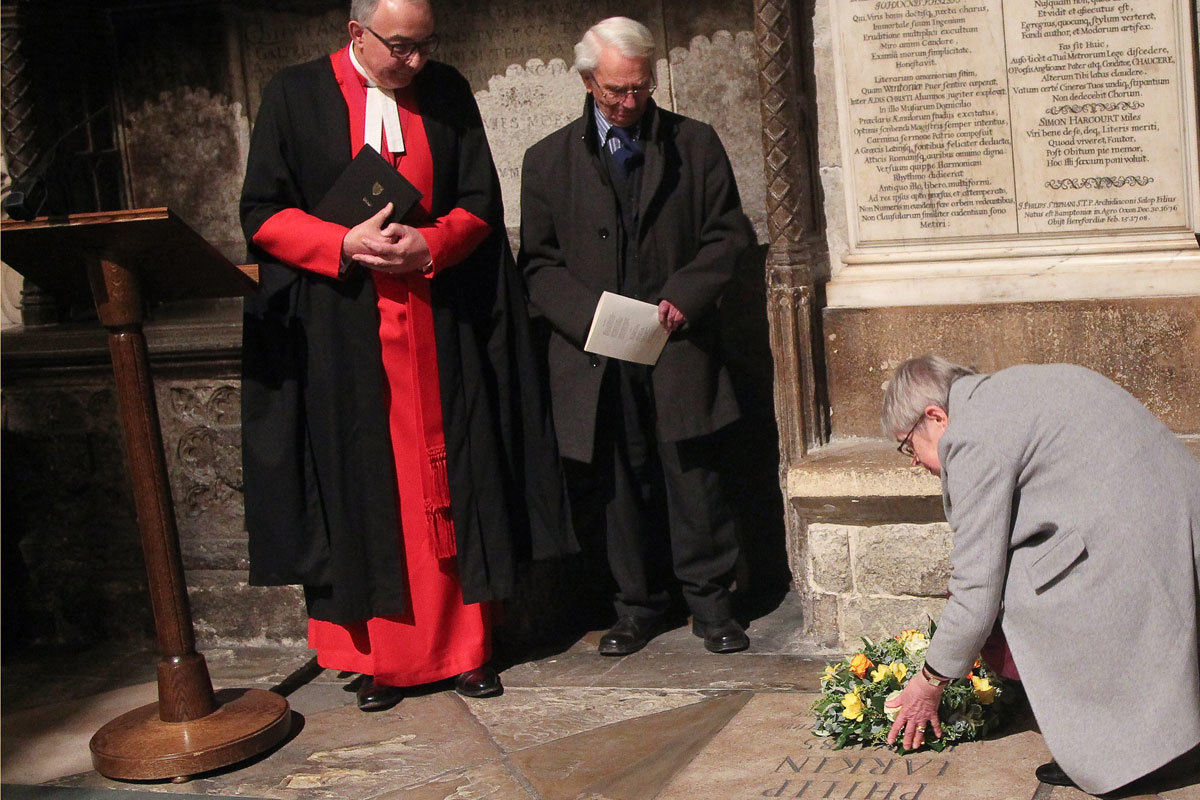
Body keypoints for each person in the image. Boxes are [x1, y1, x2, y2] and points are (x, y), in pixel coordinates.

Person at [239, 0, 574, 712]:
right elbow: (262, 213)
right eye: (400, 47)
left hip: (438, 324)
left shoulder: (445, 90)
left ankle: (468, 649)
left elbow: (480, 201)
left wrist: (433, 243)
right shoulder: (294, 95)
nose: (416, 61)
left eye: (426, 46)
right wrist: (341, 242)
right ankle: (380, 660)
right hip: (344, 334)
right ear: (355, 34)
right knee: (366, 487)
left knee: (456, 479)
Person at [518, 17, 754, 656]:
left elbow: (727, 235)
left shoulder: (695, 144)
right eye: (615, 90)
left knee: (693, 475)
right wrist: (589, 316)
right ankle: (635, 606)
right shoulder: (546, 161)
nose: (629, 102)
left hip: (676, 343)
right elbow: (538, 265)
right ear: (587, 82)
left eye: (640, 88)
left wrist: (685, 296)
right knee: (616, 481)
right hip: (597, 351)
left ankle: (711, 603)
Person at [882, 355, 1200, 794]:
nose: (914, 462)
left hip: (1129, 542)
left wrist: (929, 683)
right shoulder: (1014, 389)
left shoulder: (971, 436)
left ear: (935, 417)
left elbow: (976, 589)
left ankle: (1120, 753)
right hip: (1176, 516)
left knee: (1017, 591)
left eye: (908, 447)